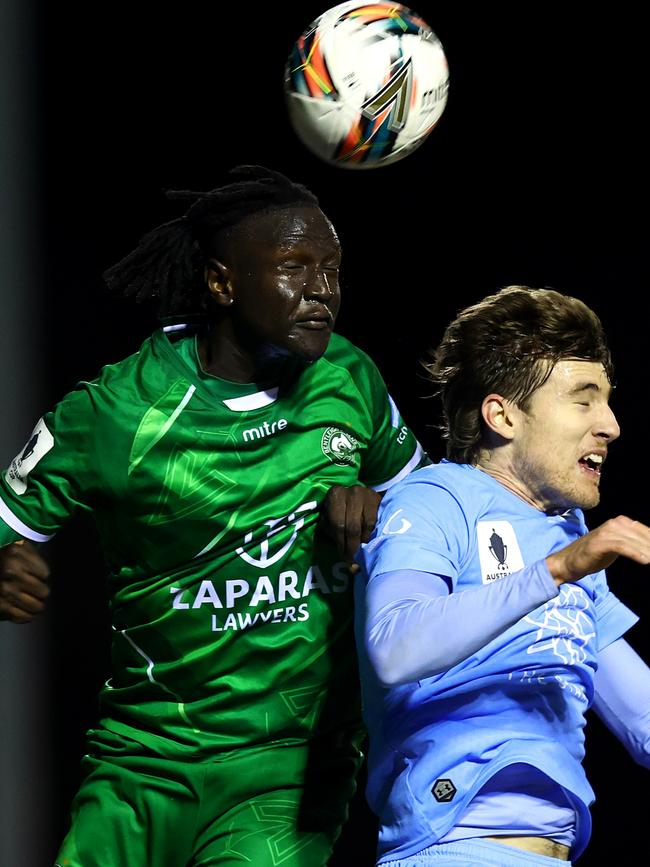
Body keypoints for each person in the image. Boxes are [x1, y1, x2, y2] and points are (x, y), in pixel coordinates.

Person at [0, 164, 428, 866]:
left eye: (334, 269)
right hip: (143, 761)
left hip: (288, 772)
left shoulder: (349, 379)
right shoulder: (117, 414)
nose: (323, 290)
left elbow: (438, 519)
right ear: (222, 283)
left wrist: (392, 510)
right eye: (295, 267)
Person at [354, 285, 650, 866]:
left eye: (609, 401)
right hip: (453, 848)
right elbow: (392, 645)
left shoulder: (568, 534)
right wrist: (559, 570)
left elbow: (642, 720)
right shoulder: (438, 497)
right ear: (503, 415)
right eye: (584, 400)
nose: (611, 424)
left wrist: (566, 564)